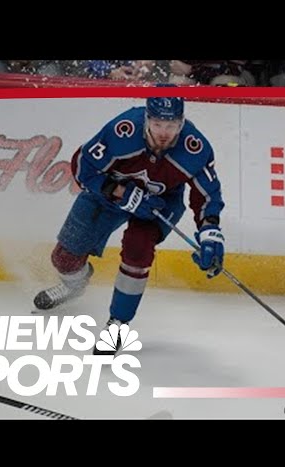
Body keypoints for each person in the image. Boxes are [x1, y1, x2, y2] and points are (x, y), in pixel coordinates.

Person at [33, 91, 226, 354]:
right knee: (64, 258)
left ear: (181, 123)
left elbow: (208, 195)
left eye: (171, 126)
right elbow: (82, 167)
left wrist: (210, 232)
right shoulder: (122, 130)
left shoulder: (195, 148)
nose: (164, 133)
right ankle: (73, 285)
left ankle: (117, 325)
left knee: (138, 251)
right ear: (147, 119)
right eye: (158, 124)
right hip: (108, 195)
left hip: (160, 204)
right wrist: (120, 192)